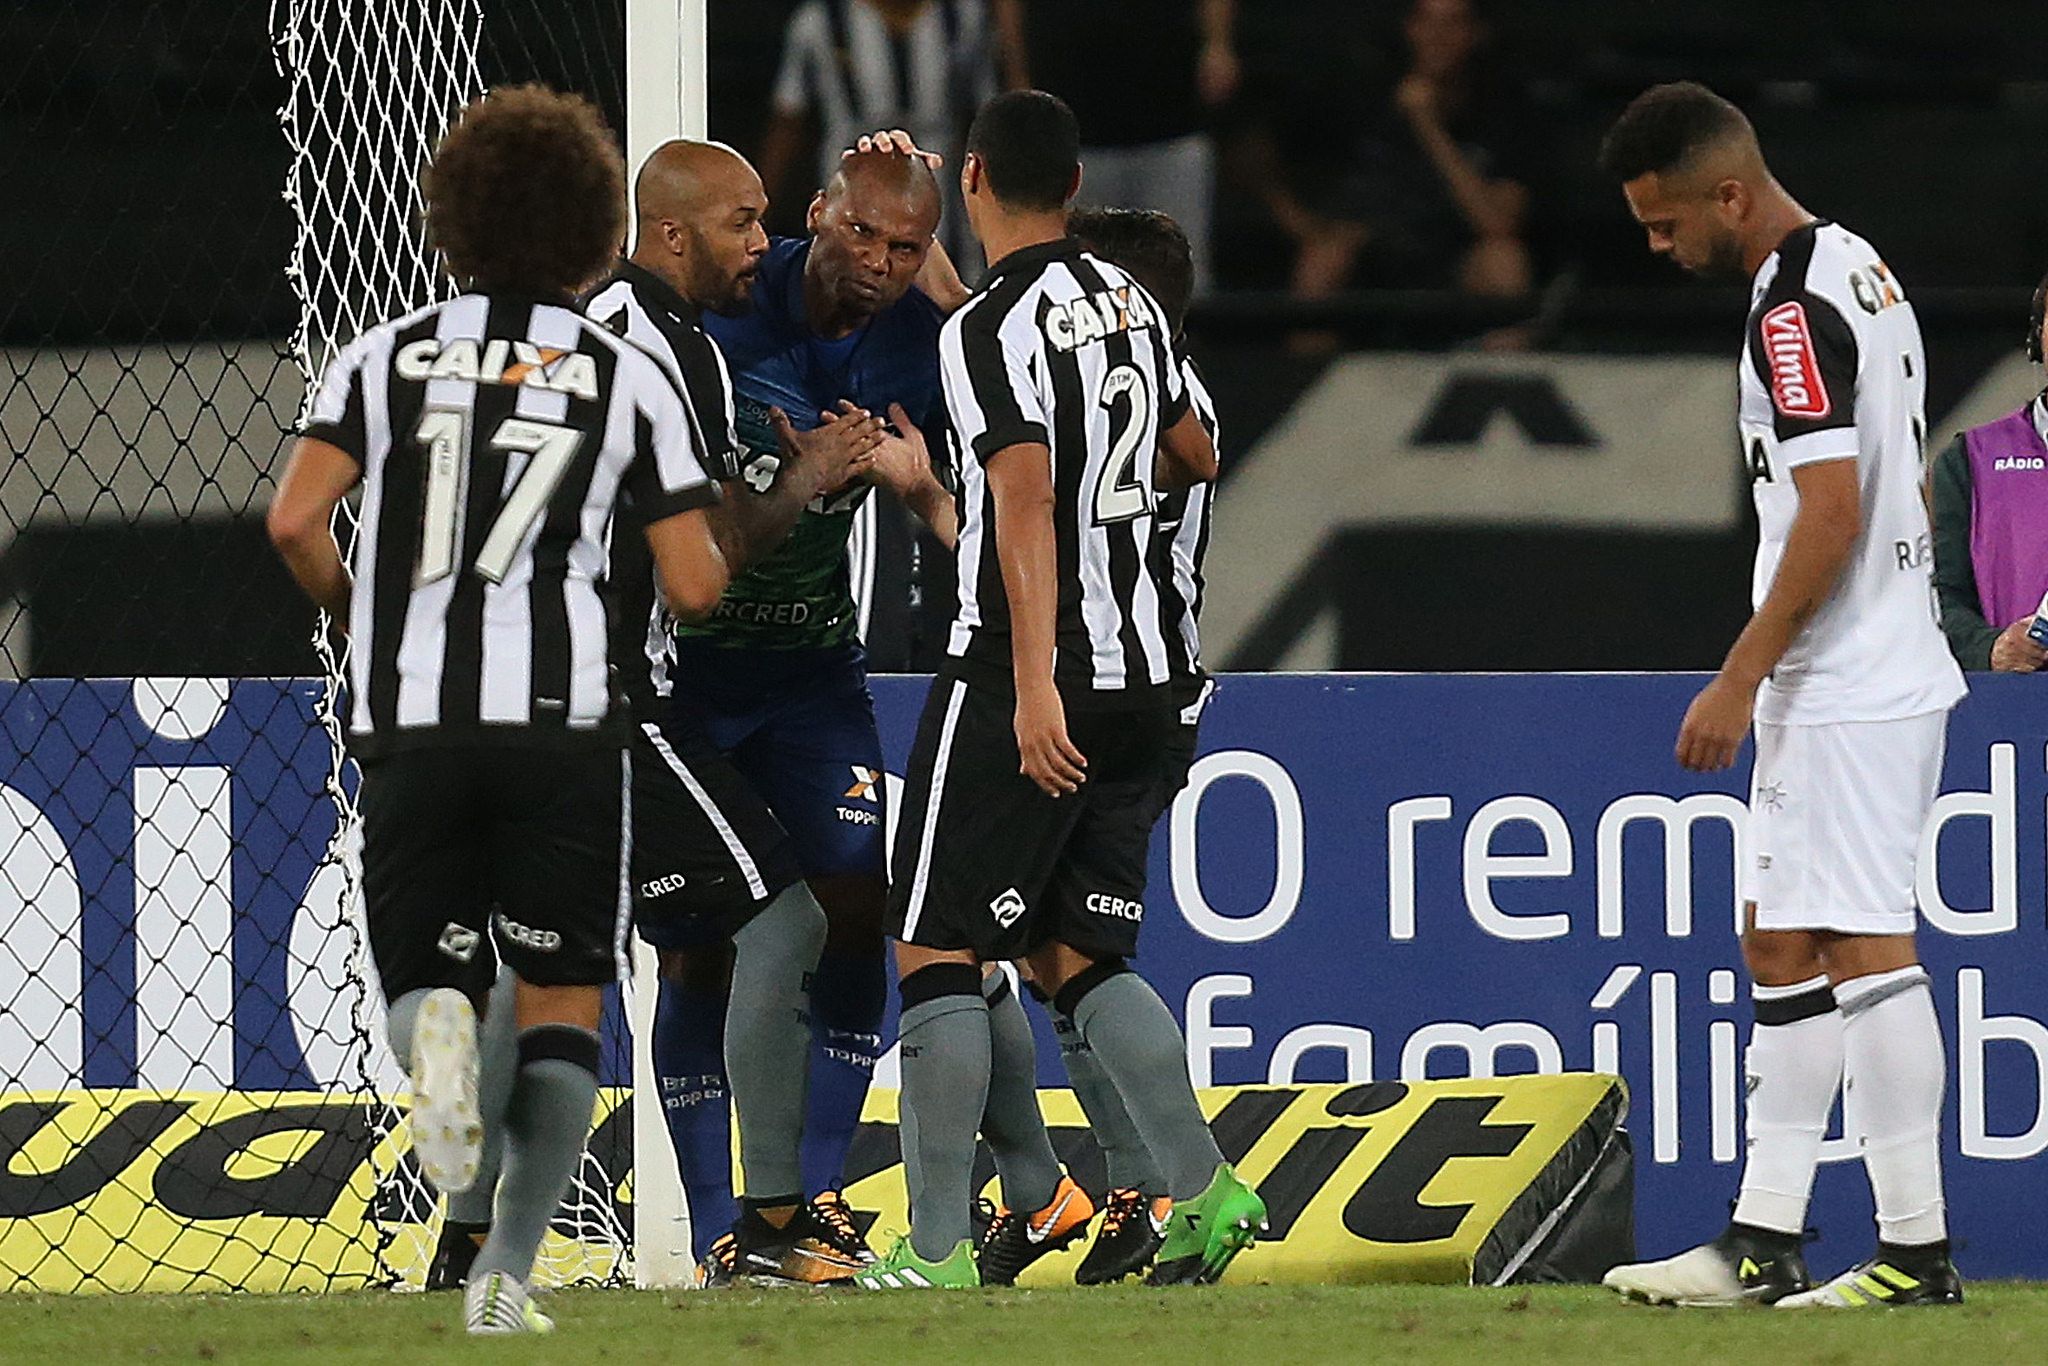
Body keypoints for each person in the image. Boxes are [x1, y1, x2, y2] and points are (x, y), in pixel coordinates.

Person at [266, 84, 731, 1334]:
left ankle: (439, 1066)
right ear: (592, 228)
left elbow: (292, 520)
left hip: (410, 713)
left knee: (435, 982)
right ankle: (504, 1279)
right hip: (561, 719)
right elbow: (690, 582)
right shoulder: (620, 374)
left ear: (452, 224)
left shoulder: (384, 357)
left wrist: (361, 603)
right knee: (567, 997)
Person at [853, 90, 1262, 1292]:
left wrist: (1031, 682)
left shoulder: (982, 335)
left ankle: (929, 1257)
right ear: (1075, 186)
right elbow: (1193, 452)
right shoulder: (1129, 302)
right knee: (1074, 951)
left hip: (1033, 674)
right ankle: (1204, 1188)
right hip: (1153, 678)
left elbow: (1022, 492)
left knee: (932, 942)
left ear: (972, 177)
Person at [1595, 82, 1966, 1310]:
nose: (1657, 247)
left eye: (1662, 224)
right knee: (1777, 934)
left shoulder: (1793, 310)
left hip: (1846, 676)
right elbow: (1878, 478)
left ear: (1727, 192)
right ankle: (1762, 1237)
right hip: (1862, 660)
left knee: (1861, 938)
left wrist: (1739, 674)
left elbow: (1830, 512)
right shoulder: (1853, 264)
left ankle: (1914, 1253)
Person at [599, 140, 957, 1273]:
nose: (881, 266)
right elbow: (693, 551)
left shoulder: (922, 339)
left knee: (856, 907)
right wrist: (799, 483)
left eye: (909, 248)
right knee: (702, 948)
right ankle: (723, 1222)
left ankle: (806, 1191)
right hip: (686, 679)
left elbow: (985, 475)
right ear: (817, 215)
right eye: (863, 236)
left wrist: (915, 480)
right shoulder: (714, 319)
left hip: (813, 678)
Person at [1262, 0, 1536, 304]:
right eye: (1427, 22)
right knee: (1322, 258)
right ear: (1410, 28)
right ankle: (1308, 353)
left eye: (1453, 24)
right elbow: (1266, 166)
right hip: (1372, 259)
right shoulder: (1368, 96)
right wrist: (1317, 230)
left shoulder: (1501, 113)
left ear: (1476, 34)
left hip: (1455, 258)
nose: (1438, 35)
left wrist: (1429, 126)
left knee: (1505, 260)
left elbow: (1497, 223)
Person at [991, 0, 1237, 288]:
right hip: (1074, 126)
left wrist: (1218, 43)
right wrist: (1018, 74)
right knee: (1074, 282)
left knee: (1178, 278)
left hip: (1171, 116)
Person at [760, 0, 997, 264]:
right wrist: (762, 209)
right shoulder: (820, 20)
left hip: (942, 174)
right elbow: (789, 119)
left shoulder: (961, 15)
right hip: (848, 165)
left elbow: (984, 111)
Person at [1929, 271, 2048, 672]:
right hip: (2017, 714)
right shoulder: (1970, 460)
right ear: (2037, 340)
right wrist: (1990, 647)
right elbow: (1936, 597)